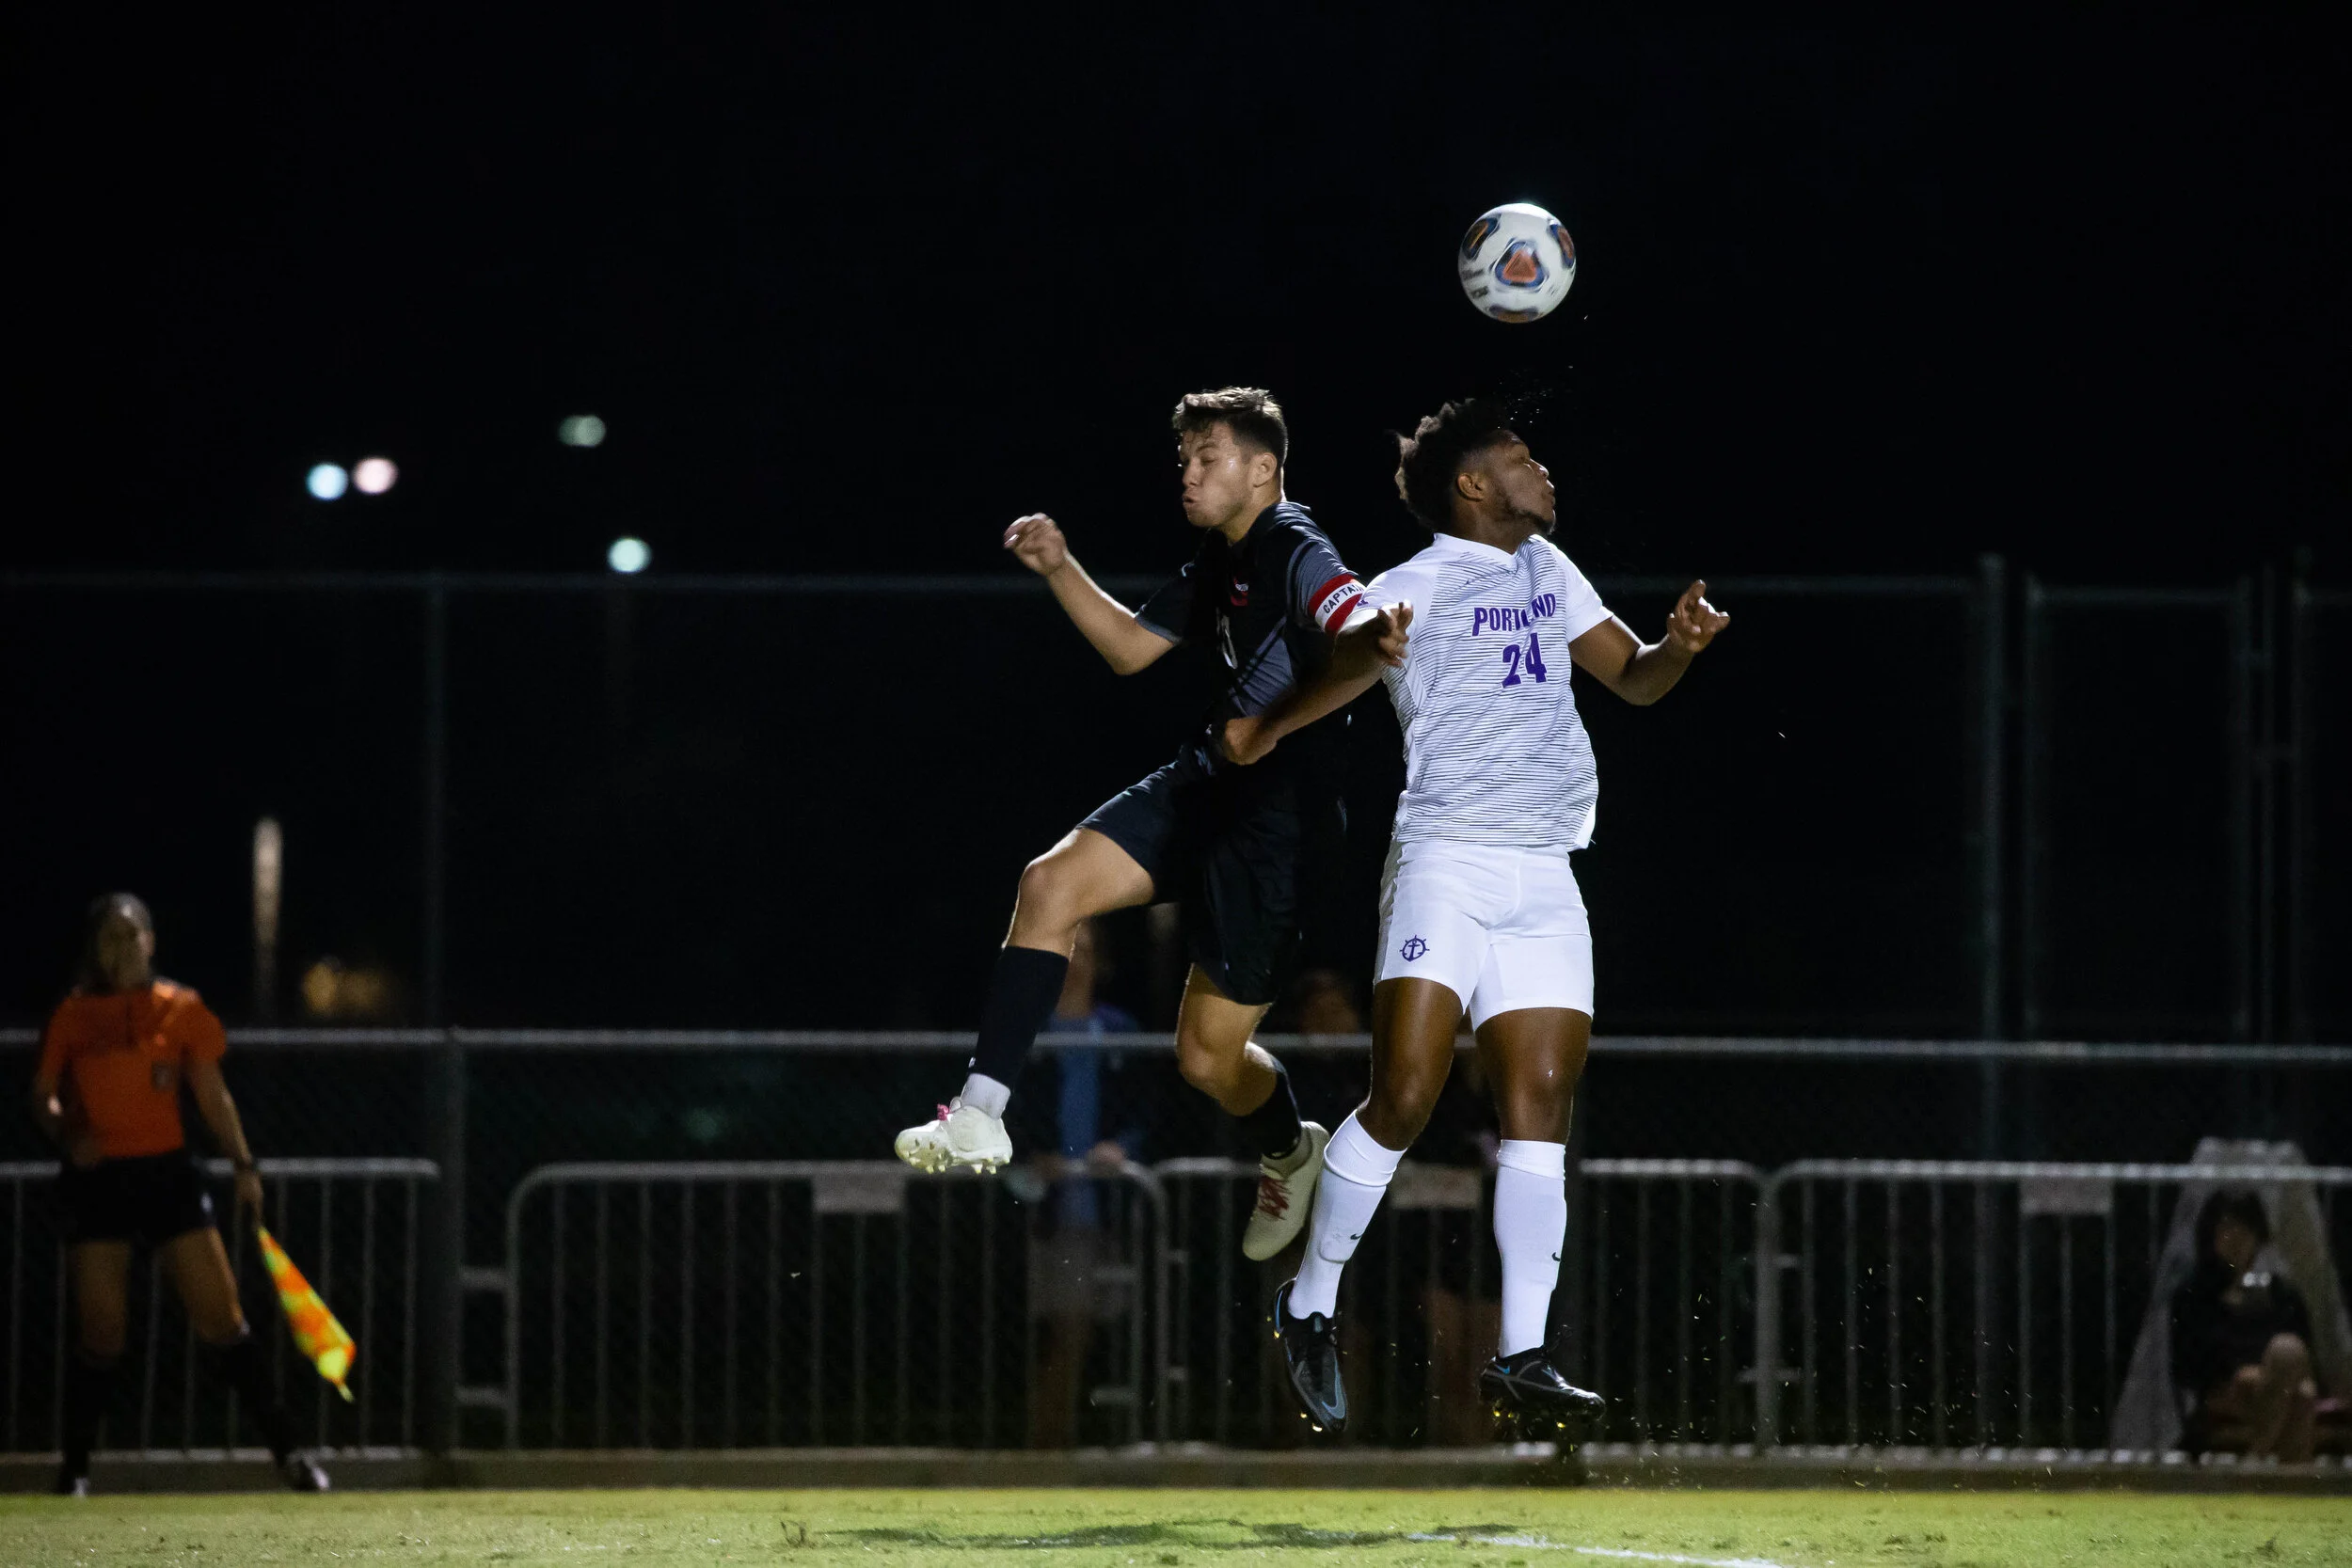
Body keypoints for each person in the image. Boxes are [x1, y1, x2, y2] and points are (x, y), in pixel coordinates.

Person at [1222, 398, 1727, 1435]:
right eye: (1521, 458)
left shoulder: (1550, 569)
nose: (1543, 471)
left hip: (1545, 870)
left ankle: (1522, 1354)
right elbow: (1344, 666)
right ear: (1472, 486)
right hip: (1446, 862)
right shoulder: (1408, 586)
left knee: (1539, 1104)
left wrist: (1676, 648)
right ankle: (1309, 1303)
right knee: (1405, 1096)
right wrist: (1269, 724)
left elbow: (1634, 680)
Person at [896, 387, 1406, 1266]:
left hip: (1276, 832)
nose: (1189, 473)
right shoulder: (1223, 557)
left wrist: (1335, 665)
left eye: (1208, 457)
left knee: (1207, 1060)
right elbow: (1132, 648)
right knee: (1048, 884)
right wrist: (1060, 565)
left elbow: (1356, 627)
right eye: (1184, 460)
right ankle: (980, 1111)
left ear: (1263, 467)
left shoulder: (1294, 543)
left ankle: (1289, 1147)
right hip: (1206, 783)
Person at [32, 894, 328, 1495]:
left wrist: (244, 1164)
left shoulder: (181, 1007)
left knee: (223, 1319)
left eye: (131, 934)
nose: (122, 947)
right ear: (95, 949)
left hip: (167, 1175)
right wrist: (66, 1132)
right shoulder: (74, 1014)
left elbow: (212, 1095)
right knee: (102, 1332)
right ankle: (75, 1471)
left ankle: (291, 1456)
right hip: (100, 1182)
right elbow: (43, 1097)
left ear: (151, 941)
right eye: (110, 936)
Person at [2172, 1190, 2321, 1462]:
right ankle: (2281, 1475)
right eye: (2227, 1227)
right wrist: (2240, 1373)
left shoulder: (2282, 1294)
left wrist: (2266, 1374)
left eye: (2245, 1228)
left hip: (2280, 1380)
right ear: (2211, 1233)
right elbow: (2188, 1365)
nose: (2237, 1237)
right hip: (2227, 1389)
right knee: (2300, 1393)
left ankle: (2257, 1460)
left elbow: (2306, 1353)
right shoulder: (2194, 1294)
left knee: (2292, 1367)